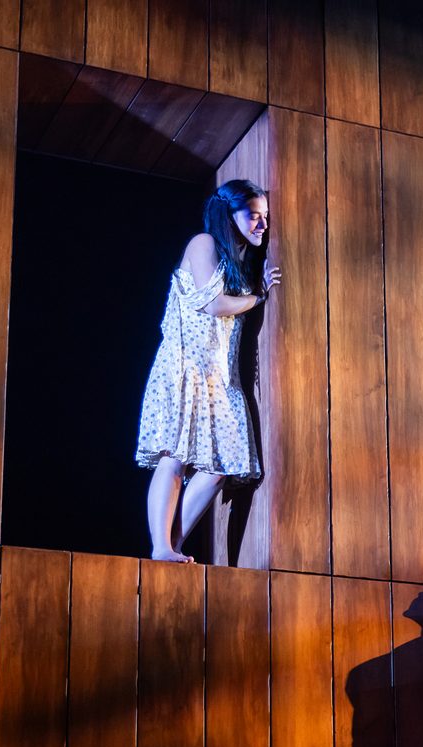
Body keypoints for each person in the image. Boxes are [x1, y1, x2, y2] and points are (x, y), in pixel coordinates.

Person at [135, 178, 280, 562]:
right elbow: (213, 304)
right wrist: (258, 296)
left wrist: (255, 290)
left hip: (217, 375)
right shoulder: (204, 243)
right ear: (229, 215)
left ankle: (171, 547)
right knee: (175, 456)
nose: (262, 224)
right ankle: (161, 546)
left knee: (221, 466)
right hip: (184, 365)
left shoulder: (239, 263)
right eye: (254, 215)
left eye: (265, 216)